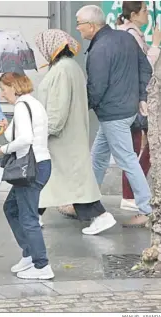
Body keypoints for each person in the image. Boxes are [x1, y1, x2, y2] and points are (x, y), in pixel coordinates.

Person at [76, 5, 153, 227]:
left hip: (113, 114)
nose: (77, 28)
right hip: (126, 110)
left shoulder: (99, 49)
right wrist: (141, 97)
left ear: (91, 26)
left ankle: (147, 210)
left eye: (79, 23)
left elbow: (96, 88)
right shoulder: (125, 38)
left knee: (127, 159)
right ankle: (85, 202)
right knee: (98, 157)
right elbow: (145, 69)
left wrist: (83, 109)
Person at [34, 29, 116, 235]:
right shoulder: (69, 67)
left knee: (70, 182)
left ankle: (100, 216)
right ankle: (33, 214)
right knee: (59, 180)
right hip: (68, 135)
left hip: (62, 138)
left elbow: (58, 108)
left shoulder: (62, 70)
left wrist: (45, 131)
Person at [0, 73, 54, 280]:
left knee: (28, 217)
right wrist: (6, 128)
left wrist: (3, 149)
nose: (2, 93)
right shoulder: (32, 104)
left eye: (3, 88)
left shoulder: (21, 106)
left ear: (14, 87)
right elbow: (23, 134)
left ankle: (42, 264)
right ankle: (29, 253)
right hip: (39, 165)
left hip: (31, 167)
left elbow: (25, 139)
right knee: (11, 208)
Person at [116, 1, 161, 212]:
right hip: (136, 100)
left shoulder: (131, 32)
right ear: (133, 15)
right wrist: (155, 45)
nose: (146, 14)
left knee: (137, 147)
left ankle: (133, 193)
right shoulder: (130, 35)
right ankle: (131, 194)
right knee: (139, 148)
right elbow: (143, 67)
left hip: (133, 99)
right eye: (143, 11)